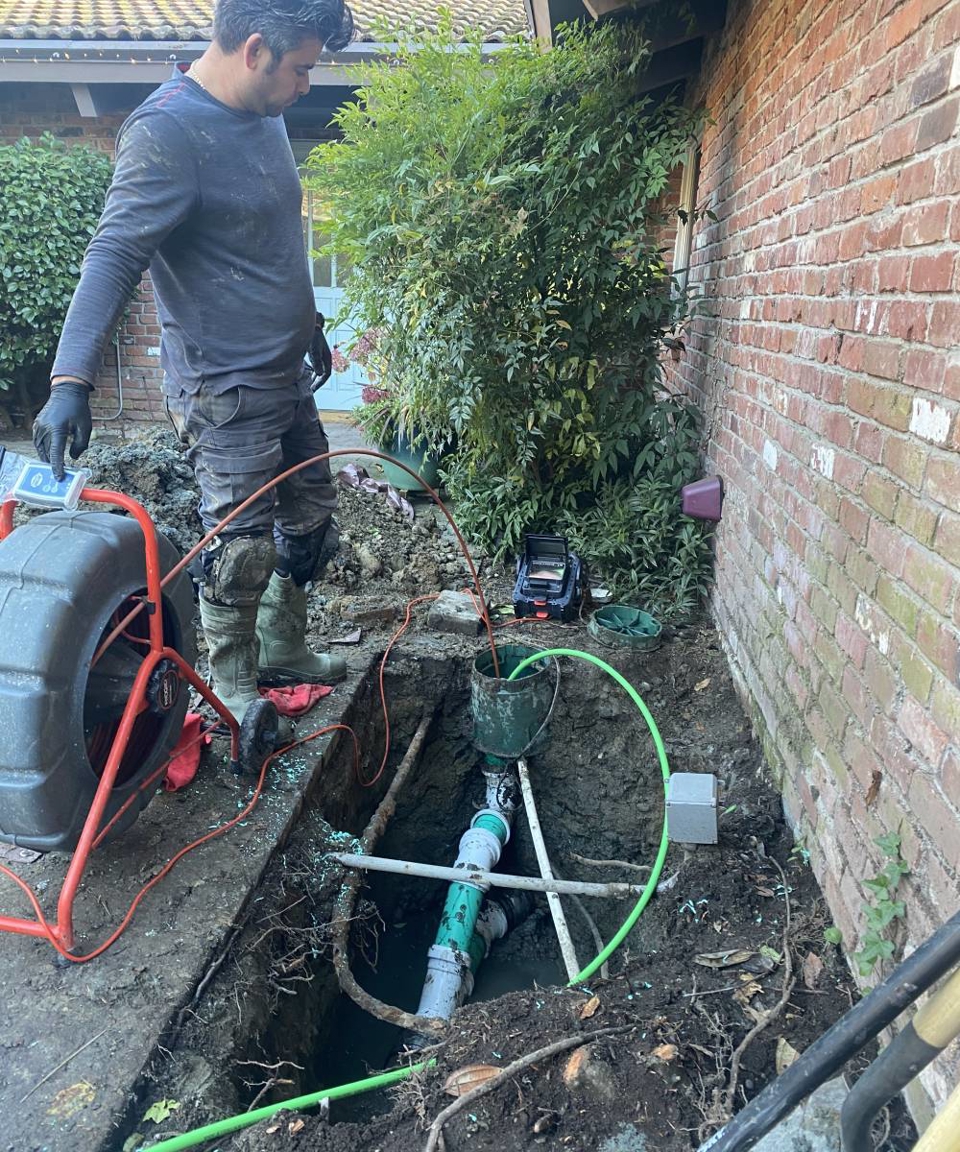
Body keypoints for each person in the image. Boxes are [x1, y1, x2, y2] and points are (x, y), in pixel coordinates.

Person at [32, 0, 356, 723]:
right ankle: (233, 687)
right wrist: (70, 379)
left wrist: (306, 324)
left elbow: (263, 239)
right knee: (241, 548)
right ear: (253, 50)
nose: (306, 85)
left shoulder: (264, 111)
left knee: (311, 522)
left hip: (287, 372)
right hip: (225, 388)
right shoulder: (167, 133)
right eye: (301, 68)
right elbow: (114, 254)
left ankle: (281, 646)